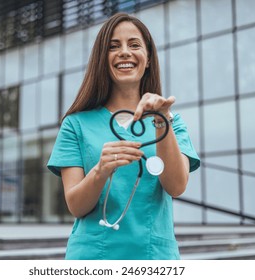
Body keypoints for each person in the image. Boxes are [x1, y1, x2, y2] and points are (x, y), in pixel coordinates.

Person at [47, 12, 200, 260]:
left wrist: (161, 120)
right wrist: (100, 170)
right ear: (102, 59)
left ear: (148, 59)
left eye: (134, 45)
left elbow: (176, 186)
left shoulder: (171, 121)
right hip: (93, 258)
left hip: (153, 258)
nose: (125, 52)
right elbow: (76, 205)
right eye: (113, 46)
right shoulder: (75, 125)